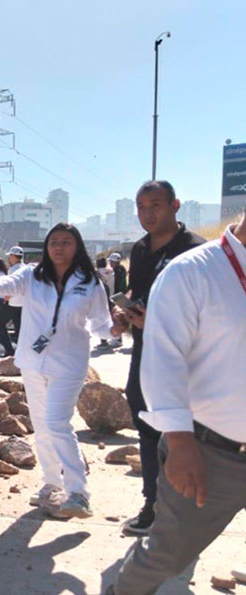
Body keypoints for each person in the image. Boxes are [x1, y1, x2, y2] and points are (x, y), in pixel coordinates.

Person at [108, 212, 246, 595]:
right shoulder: (194, 271)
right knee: (165, 556)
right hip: (211, 452)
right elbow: (163, 358)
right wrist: (181, 442)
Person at [0, 223, 126, 519]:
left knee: (57, 422)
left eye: (66, 242)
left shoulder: (90, 282)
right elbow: (10, 284)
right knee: (42, 426)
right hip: (33, 361)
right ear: (47, 247)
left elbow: (100, 325)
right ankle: (51, 484)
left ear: (77, 246)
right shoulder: (32, 275)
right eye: (53, 242)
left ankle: (79, 493)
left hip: (69, 364)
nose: (58, 247)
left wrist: (117, 329)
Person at [111, 180, 205, 537]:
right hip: (145, 353)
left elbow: (208, 311)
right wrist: (125, 316)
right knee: (147, 425)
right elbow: (139, 292)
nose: (147, 214)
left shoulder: (196, 251)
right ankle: (153, 505)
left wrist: (159, 321)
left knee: (186, 432)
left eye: (155, 205)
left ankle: (185, 513)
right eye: (141, 207)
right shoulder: (140, 248)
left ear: (175, 205)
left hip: (187, 359)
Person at [0, 256, 15, 357]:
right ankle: (0, 342)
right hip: (8, 300)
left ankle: (8, 348)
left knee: (0, 325)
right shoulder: (5, 272)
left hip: (0, 301)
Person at [3, 246, 26, 345]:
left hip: (13, 302)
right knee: (20, 327)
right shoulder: (26, 268)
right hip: (24, 302)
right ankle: (19, 345)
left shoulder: (12, 270)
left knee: (0, 323)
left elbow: (11, 285)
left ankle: (9, 348)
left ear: (13, 256)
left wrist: (6, 297)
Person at [95, 257, 115, 350]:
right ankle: (117, 338)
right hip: (112, 294)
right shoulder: (111, 271)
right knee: (113, 317)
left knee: (102, 319)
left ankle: (104, 341)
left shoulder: (97, 273)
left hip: (103, 297)